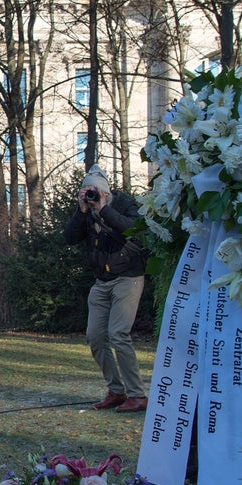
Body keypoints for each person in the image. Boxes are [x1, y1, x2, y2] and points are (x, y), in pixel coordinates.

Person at [64, 167, 148, 412]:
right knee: (96, 336)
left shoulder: (123, 203)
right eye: (87, 191)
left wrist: (104, 209)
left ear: (106, 191)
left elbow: (133, 228)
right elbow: (69, 238)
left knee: (119, 333)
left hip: (128, 277)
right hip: (101, 281)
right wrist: (81, 211)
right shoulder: (86, 211)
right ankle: (116, 391)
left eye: (96, 191)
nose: (92, 195)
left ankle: (137, 395)